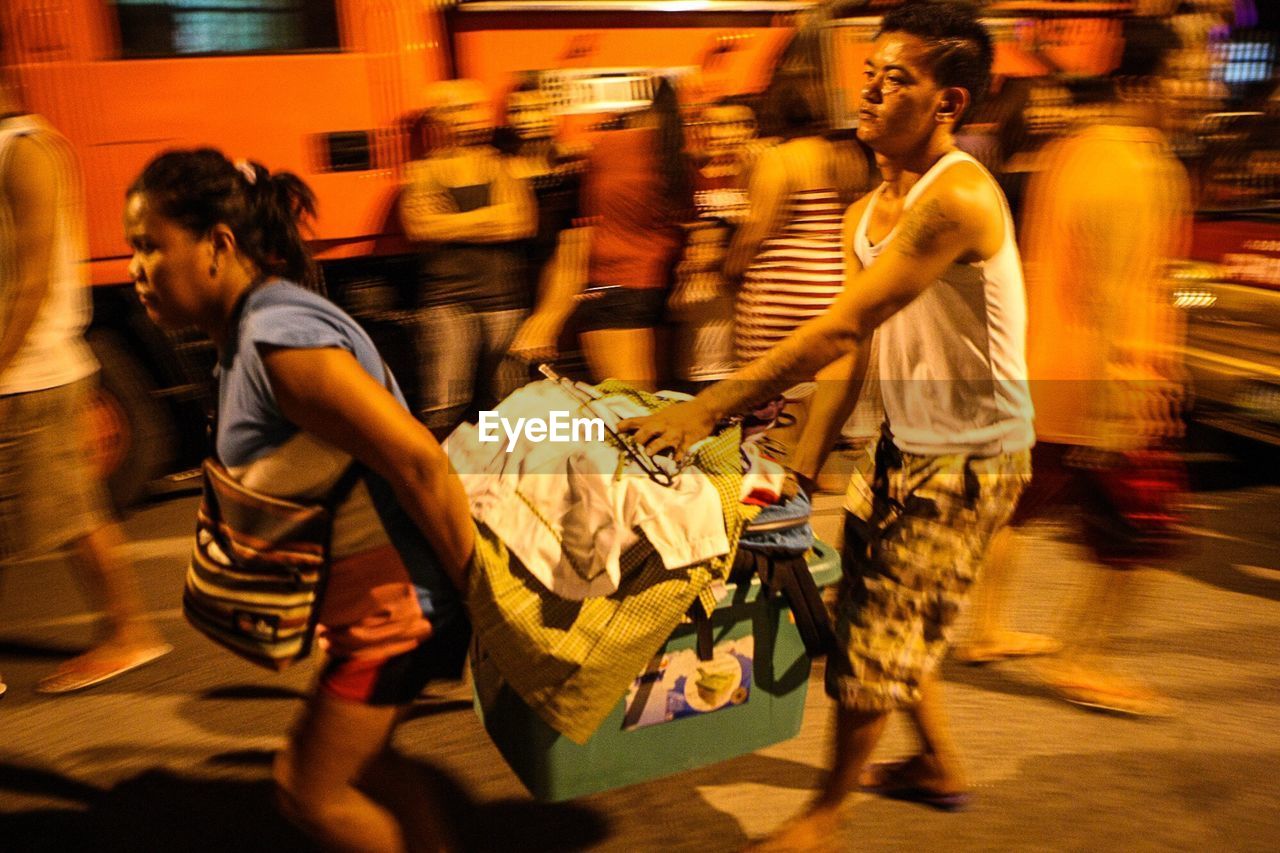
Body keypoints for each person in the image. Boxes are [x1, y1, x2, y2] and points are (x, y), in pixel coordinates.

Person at [619, 4, 1032, 848]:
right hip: (903, 444)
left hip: (970, 457)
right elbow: (855, 356)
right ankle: (938, 764)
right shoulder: (867, 211)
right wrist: (801, 475)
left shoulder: (955, 196)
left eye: (899, 78)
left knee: (872, 637)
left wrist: (707, 406)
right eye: (871, 71)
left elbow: (838, 328)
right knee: (882, 606)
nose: (872, 89)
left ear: (949, 102)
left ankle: (824, 817)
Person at [125, 148, 475, 851]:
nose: (135, 269)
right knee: (367, 764)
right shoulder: (260, 325)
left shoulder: (278, 338)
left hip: (397, 613)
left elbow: (417, 460)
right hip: (372, 602)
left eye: (149, 247)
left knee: (309, 791)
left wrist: (482, 596)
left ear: (218, 245)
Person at [958, 18, 1190, 713]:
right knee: (1140, 534)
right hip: (1106, 381)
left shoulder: (1071, 151)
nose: (1197, 88)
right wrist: (1129, 390)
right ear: (1145, 83)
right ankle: (1084, 659)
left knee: (1015, 509)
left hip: (1044, 369)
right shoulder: (1141, 165)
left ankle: (988, 628)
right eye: (1187, 74)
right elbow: (1115, 287)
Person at [0, 67, 170, 695]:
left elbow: (31, 277)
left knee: (73, 512)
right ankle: (129, 632)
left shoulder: (26, 150)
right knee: (73, 509)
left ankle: (130, 633)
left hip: (30, 371)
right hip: (24, 370)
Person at [401, 78, 536, 437]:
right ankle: (445, 480)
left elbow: (519, 222)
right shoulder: (422, 170)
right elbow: (419, 228)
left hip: (502, 300)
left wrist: (449, 222)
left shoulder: (500, 164)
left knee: (510, 402)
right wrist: (489, 218)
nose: (465, 117)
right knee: (444, 403)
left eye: (471, 107)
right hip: (446, 302)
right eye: (455, 109)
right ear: (438, 119)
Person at [570, 76, 693, 390]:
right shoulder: (679, 158)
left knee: (628, 400)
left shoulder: (609, 147)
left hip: (611, 281)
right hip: (657, 284)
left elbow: (586, 215)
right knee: (655, 394)